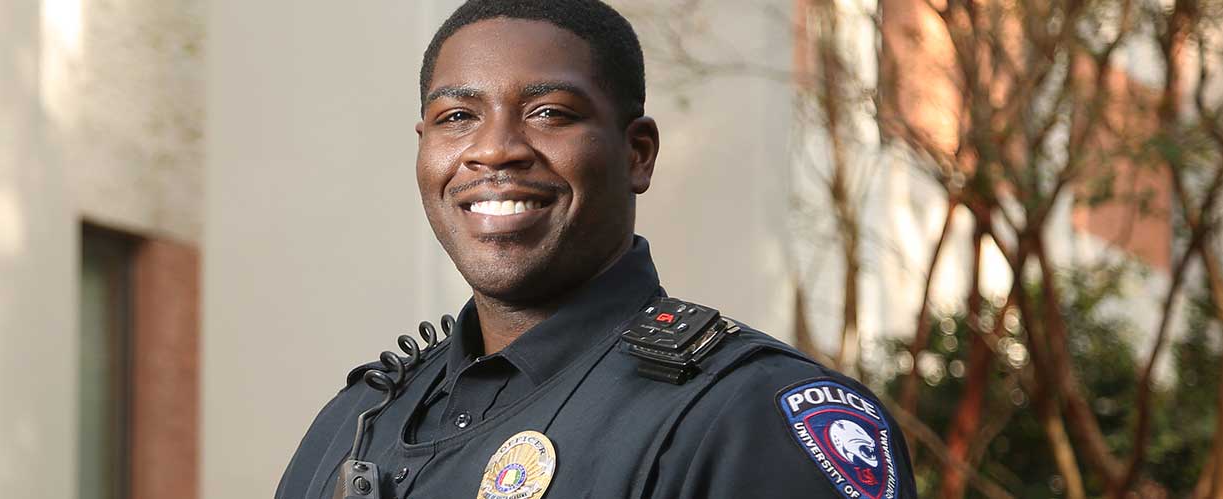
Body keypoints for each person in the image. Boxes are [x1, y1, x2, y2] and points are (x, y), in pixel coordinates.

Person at [273, 1, 917, 498]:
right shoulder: (362, 416)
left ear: (637, 154)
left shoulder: (747, 415)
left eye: (549, 112)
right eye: (457, 117)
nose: (495, 149)